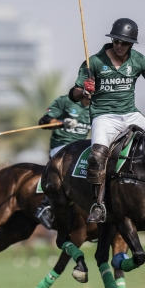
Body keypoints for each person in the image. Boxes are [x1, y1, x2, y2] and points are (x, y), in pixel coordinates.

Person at [69, 17, 145, 223]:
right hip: (104, 117)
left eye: (124, 42)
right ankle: (98, 204)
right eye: (116, 41)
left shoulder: (138, 59)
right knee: (98, 156)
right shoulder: (93, 62)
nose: (119, 46)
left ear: (131, 44)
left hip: (131, 114)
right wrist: (84, 89)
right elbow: (73, 93)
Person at [33, 93, 91, 229]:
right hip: (61, 147)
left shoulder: (98, 105)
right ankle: (45, 205)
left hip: (80, 147)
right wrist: (60, 123)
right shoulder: (65, 101)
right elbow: (44, 122)